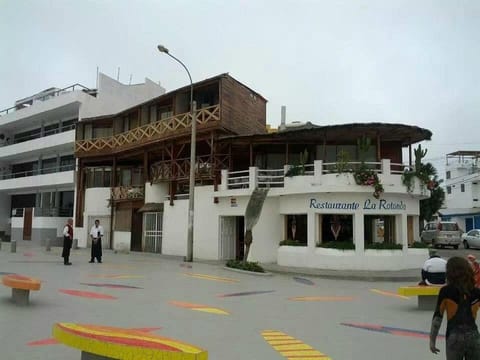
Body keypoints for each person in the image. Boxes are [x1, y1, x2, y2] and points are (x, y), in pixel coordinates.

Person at [429, 256, 480, 358]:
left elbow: (437, 319)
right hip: (473, 336)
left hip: (454, 336)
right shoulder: (477, 292)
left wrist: (432, 341)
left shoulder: (446, 291)